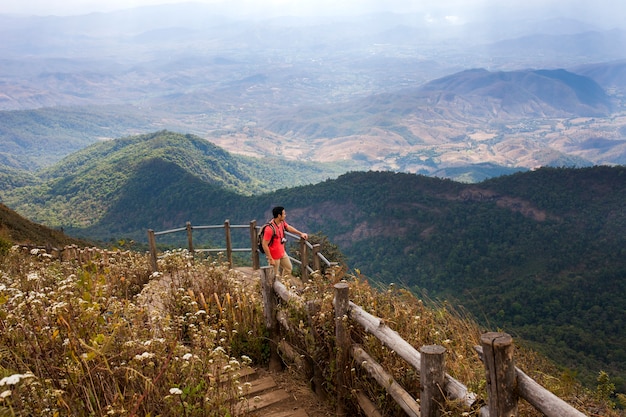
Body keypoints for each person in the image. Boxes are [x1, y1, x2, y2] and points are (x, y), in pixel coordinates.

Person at [261, 206, 308, 279]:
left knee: (288, 268)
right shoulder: (269, 229)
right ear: (279, 215)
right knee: (274, 276)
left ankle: (283, 284)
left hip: (282, 252)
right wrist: (270, 259)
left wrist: (300, 233)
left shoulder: (282, 222)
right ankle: (274, 289)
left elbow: (288, 227)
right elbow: (264, 244)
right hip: (274, 256)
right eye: (284, 214)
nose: (285, 215)